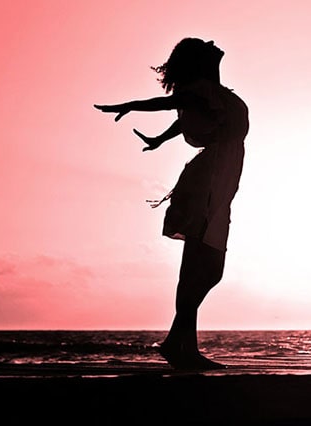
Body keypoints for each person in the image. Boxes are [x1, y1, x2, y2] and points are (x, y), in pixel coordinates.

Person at [94, 38, 249, 370]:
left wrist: (159, 139)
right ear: (200, 60)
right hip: (208, 182)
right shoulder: (202, 90)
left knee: (203, 268)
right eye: (205, 45)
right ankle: (181, 347)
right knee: (203, 267)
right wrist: (131, 105)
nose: (213, 43)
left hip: (217, 182)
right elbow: (167, 104)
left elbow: (183, 118)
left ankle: (178, 344)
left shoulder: (214, 95)